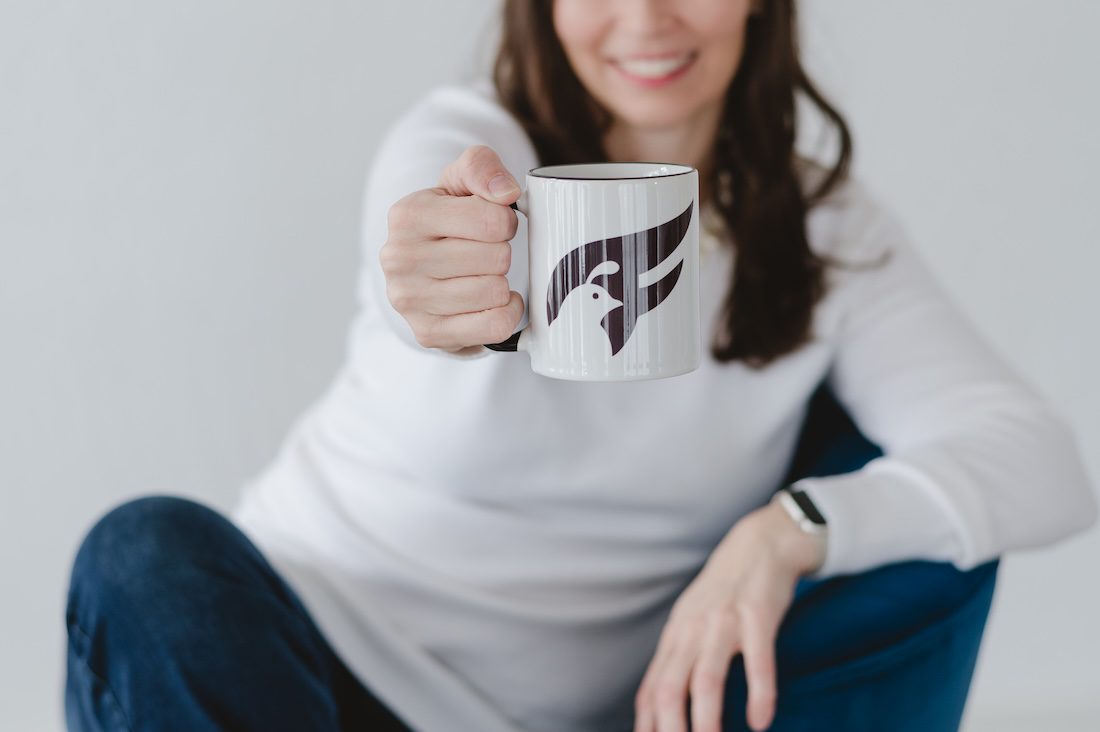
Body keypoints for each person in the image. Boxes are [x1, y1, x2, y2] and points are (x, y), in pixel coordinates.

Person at [65, 1, 1098, 731]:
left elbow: (1039, 465)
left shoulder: (824, 230)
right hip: (291, 663)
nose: (644, 19)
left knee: (924, 528)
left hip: (601, 713)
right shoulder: (470, 143)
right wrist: (438, 280)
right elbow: (424, 232)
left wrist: (788, 533)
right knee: (145, 553)